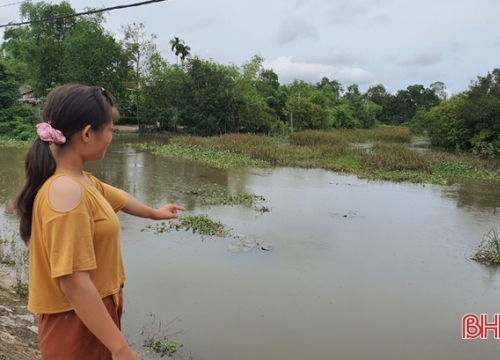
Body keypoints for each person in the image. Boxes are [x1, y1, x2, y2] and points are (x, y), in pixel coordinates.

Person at [13, 84, 185, 360]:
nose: (111, 137)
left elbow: (121, 198)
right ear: (87, 133)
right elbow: (73, 283)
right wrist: (121, 349)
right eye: (111, 129)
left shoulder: (81, 180)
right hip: (76, 323)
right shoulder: (65, 191)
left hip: (92, 313)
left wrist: (155, 213)